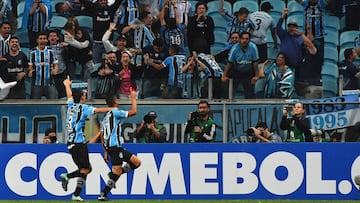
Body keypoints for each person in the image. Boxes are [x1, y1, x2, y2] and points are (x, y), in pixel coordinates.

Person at [60, 76, 116, 201]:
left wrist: (66, 85)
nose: (86, 97)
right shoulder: (83, 108)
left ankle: (68, 178)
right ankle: (75, 193)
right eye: (84, 95)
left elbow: (69, 95)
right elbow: (98, 110)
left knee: (86, 168)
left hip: (71, 143)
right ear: (81, 97)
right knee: (86, 169)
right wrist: (112, 108)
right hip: (79, 143)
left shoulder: (71, 104)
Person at [98, 92, 141, 201]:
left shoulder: (106, 115)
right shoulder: (115, 112)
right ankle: (103, 194)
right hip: (115, 147)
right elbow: (134, 112)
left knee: (136, 162)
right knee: (117, 172)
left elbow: (102, 134)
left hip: (112, 148)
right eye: (117, 98)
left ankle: (111, 178)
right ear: (115, 101)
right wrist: (133, 98)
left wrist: (105, 151)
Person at [221, 31, 260, 99]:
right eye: (243, 39)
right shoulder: (234, 49)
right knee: (227, 87)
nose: (244, 41)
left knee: (250, 92)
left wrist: (256, 76)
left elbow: (255, 63)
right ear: (240, 40)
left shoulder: (253, 47)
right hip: (237, 71)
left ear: (249, 40)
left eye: (246, 39)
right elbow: (230, 63)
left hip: (248, 71)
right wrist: (224, 75)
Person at [295, 22, 323, 99]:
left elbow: (310, 44)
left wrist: (301, 35)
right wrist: (308, 30)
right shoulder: (304, 54)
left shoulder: (315, 53)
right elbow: (310, 40)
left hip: (314, 87)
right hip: (305, 85)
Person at [28, 32, 58, 99]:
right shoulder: (32, 52)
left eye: (44, 38)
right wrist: (30, 71)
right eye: (41, 39)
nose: (42, 40)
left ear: (47, 40)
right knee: (35, 104)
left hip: (49, 82)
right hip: (36, 83)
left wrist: (55, 70)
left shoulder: (51, 51)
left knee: (53, 103)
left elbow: (55, 64)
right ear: (37, 40)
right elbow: (30, 66)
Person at [48, 30, 67, 99]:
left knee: (62, 94)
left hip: (61, 73)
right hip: (48, 74)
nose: (52, 37)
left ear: (57, 38)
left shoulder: (62, 47)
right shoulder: (45, 48)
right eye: (50, 36)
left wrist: (68, 46)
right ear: (48, 38)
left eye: (54, 36)